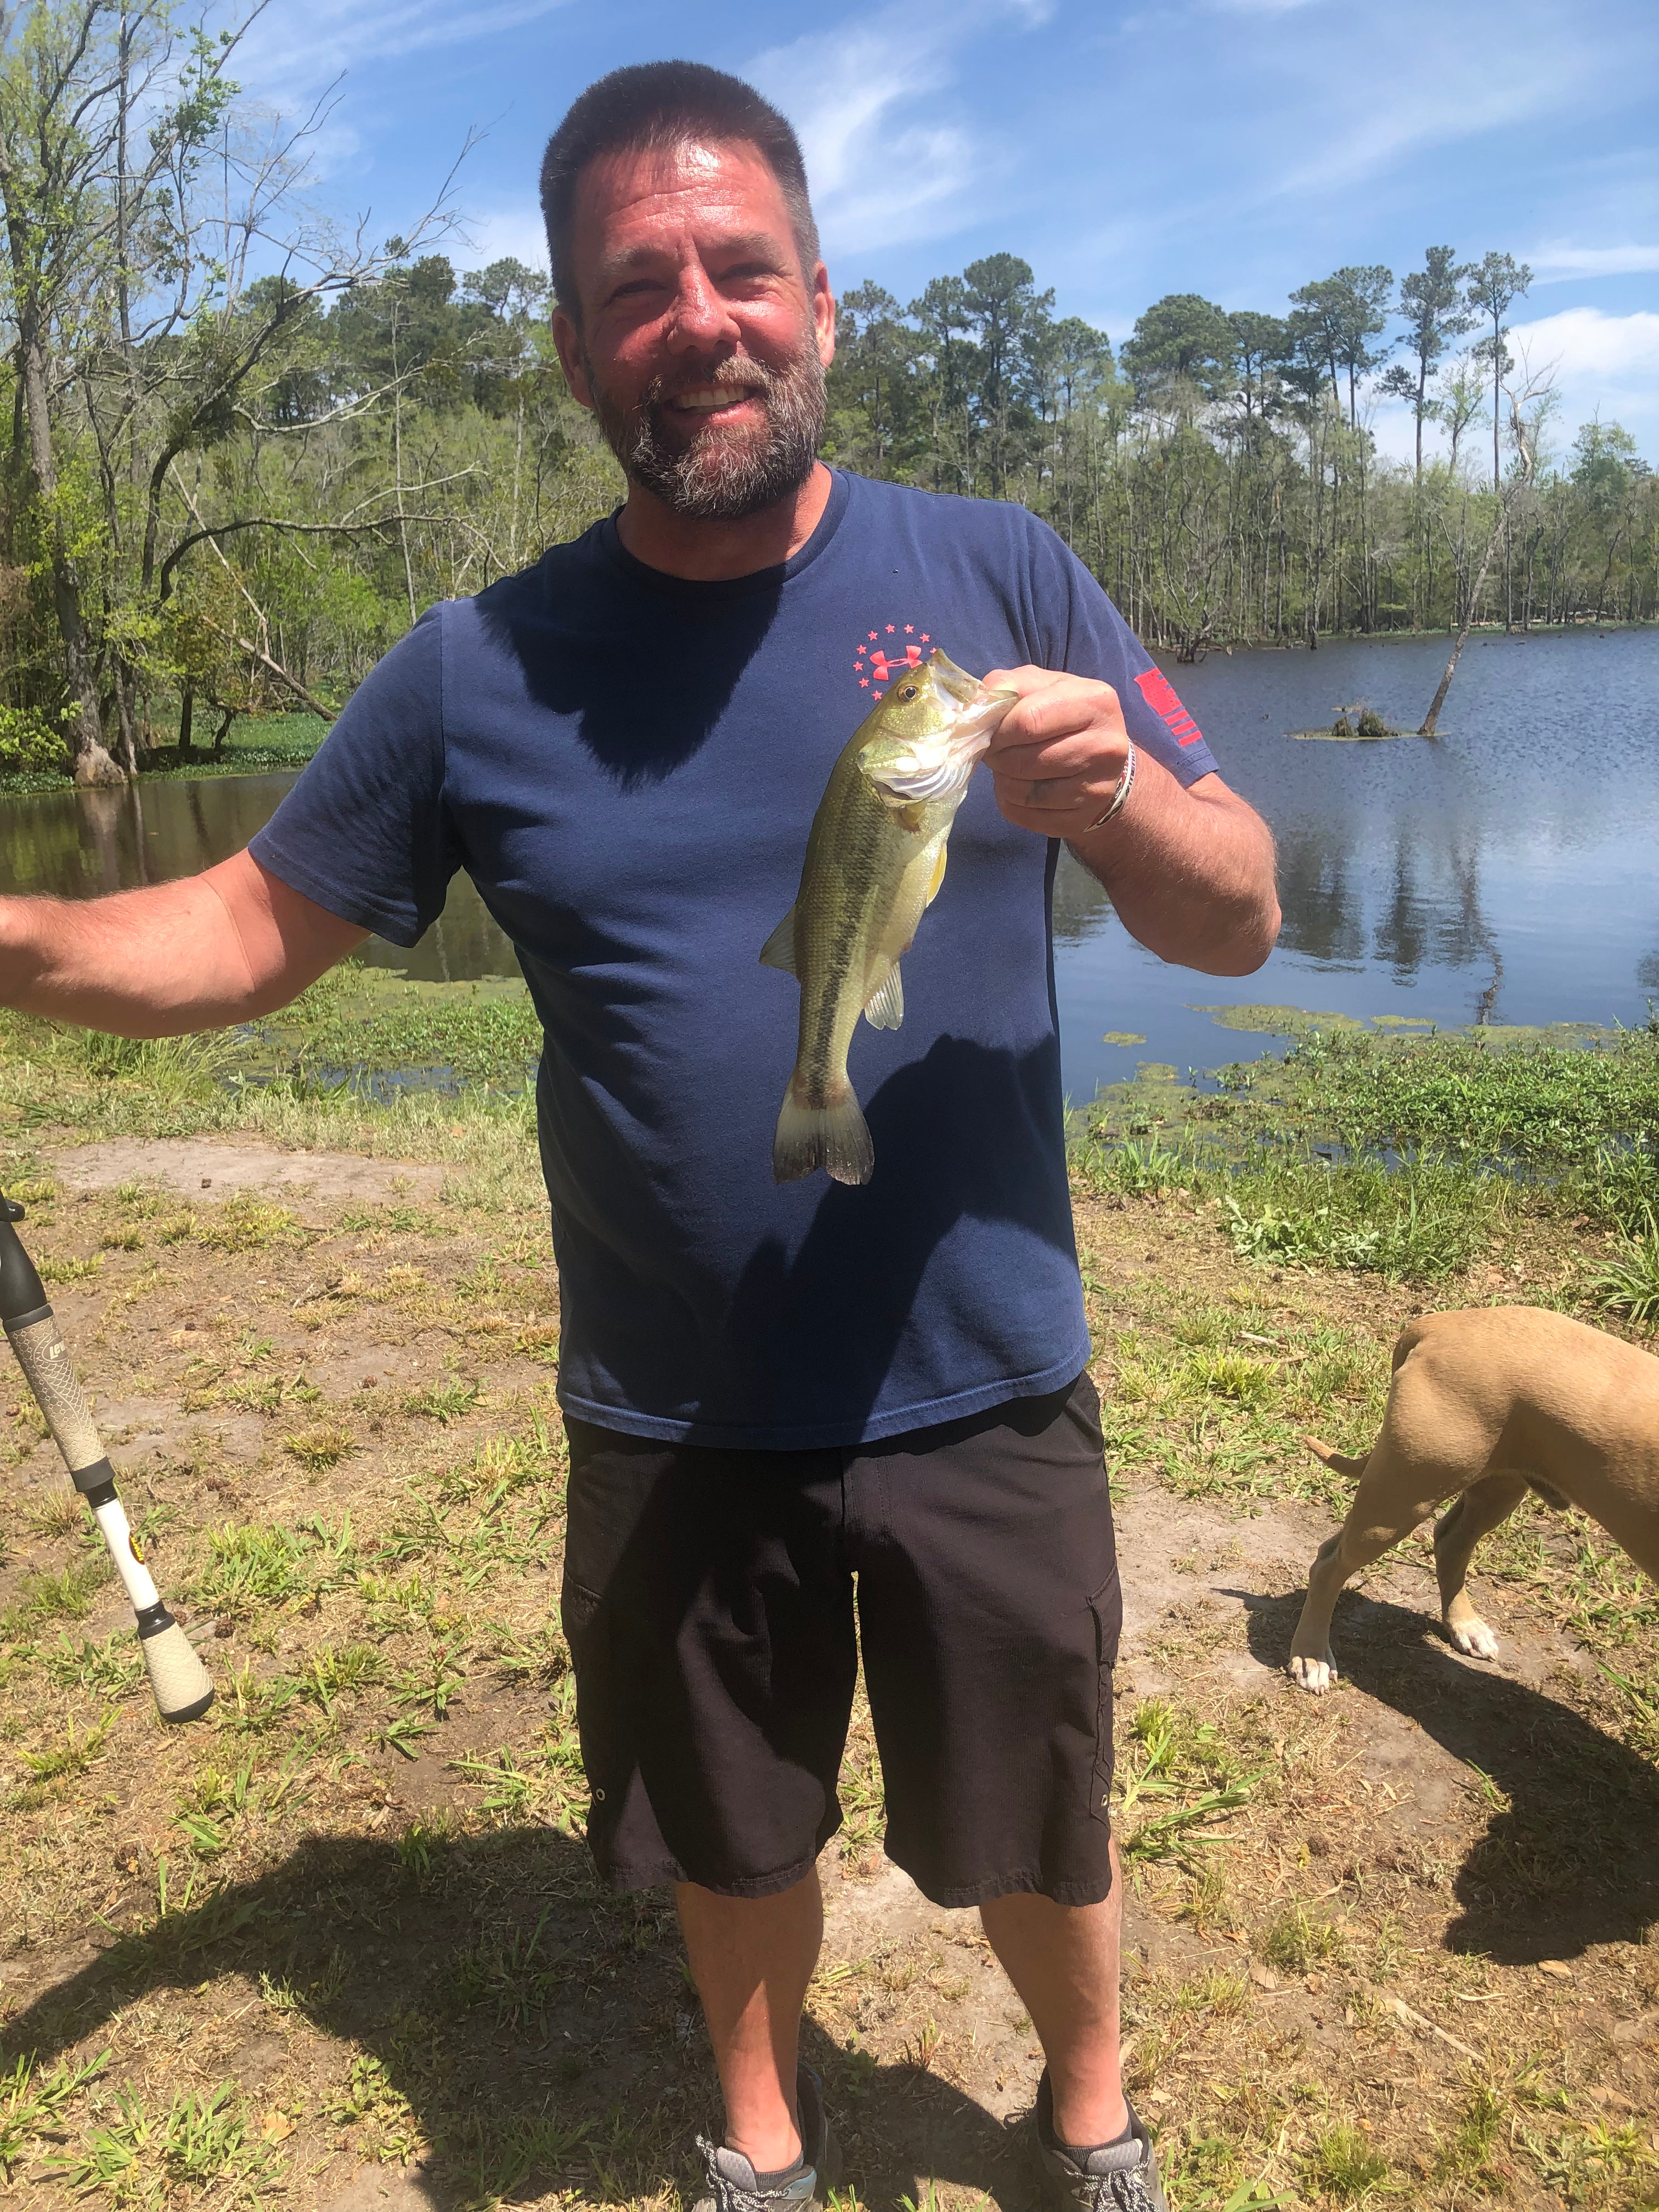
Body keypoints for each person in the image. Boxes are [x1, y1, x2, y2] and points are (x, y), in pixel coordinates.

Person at [0, 61, 1278, 2212]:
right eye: (638, 285)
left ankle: (1090, 2109)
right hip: (672, 1403)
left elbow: (1238, 907)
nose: (701, 317)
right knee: (729, 1818)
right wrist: (15, 937)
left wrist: (1124, 800)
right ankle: (762, 2142)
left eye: (741, 269)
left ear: (823, 304)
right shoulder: (477, 669)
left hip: (983, 1375)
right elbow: (242, 926)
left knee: (1037, 1807)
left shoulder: (1004, 572)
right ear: (580, 347)